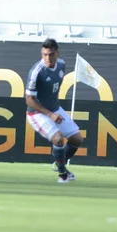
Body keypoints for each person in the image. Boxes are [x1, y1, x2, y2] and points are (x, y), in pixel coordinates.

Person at [26, 39, 84, 183]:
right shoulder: (36, 72)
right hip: (37, 113)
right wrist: (50, 114)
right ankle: (63, 174)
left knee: (77, 139)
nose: (47, 58)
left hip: (55, 109)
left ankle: (59, 163)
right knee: (58, 139)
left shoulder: (62, 65)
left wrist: (54, 110)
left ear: (57, 53)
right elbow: (29, 100)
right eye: (44, 54)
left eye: (51, 54)